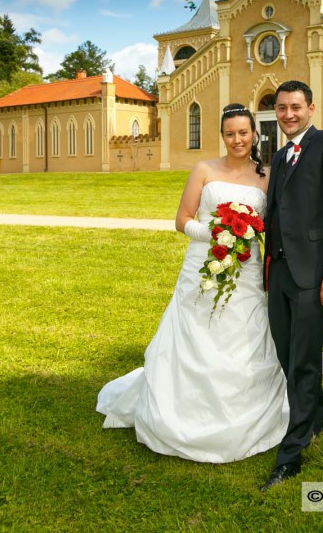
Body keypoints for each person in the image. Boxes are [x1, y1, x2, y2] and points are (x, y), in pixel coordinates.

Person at [96, 104, 287, 463]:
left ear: (254, 134)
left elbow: (272, 223)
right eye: (230, 133)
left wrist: (244, 237)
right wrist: (216, 232)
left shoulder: (267, 175)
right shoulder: (204, 169)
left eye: (243, 133)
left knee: (244, 334)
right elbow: (181, 219)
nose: (237, 140)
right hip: (203, 264)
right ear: (223, 136)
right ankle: (179, 412)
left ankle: (246, 411)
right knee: (195, 332)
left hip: (246, 271)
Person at [261, 80, 323, 491]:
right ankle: (319, 417)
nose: (288, 115)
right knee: (288, 354)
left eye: (295, 107)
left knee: (302, 362)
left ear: (311, 108)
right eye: (281, 108)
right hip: (281, 273)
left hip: (318, 275)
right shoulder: (281, 155)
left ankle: (291, 456)